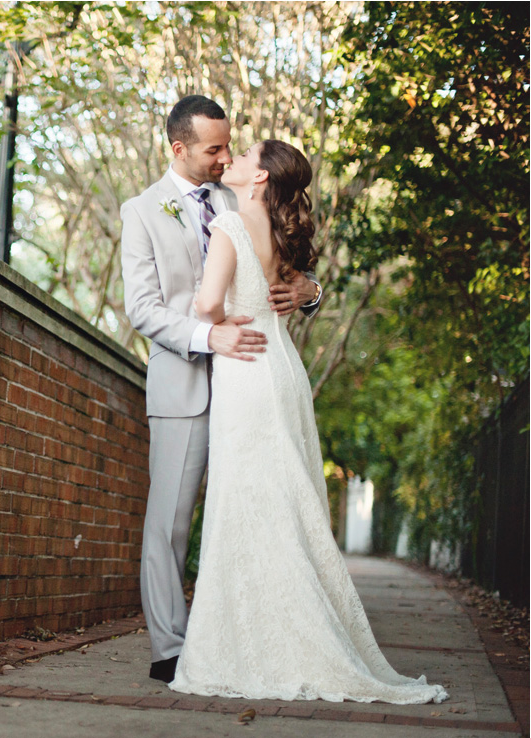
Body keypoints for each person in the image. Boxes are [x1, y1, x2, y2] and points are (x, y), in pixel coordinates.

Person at [168, 139, 447, 704]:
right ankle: (283, 636)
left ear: (262, 175)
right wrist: (304, 291)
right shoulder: (278, 229)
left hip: (245, 370)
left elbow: (205, 305)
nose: (235, 158)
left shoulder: (229, 224)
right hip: (283, 371)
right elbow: (302, 286)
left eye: (245, 152)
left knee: (246, 504)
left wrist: (221, 318)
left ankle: (253, 645)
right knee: (284, 503)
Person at [120, 95, 322, 684]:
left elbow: (285, 264)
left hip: (251, 387)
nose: (225, 156)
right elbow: (143, 308)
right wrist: (211, 338)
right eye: (214, 148)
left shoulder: (242, 198)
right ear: (178, 148)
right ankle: (172, 649)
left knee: (256, 515)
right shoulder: (143, 211)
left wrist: (311, 292)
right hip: (185, 383)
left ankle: (251, 636)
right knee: (171, 523)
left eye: (230, 146)